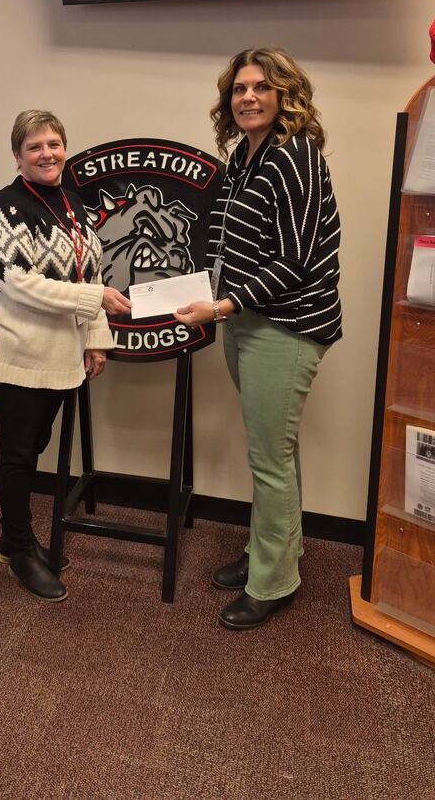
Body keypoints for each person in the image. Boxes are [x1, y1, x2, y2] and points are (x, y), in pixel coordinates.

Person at [175, 48, 341, 630]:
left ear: (284, 96)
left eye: (260, 88)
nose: (247, 97)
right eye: (239, 89)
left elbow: (295, 260)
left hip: (285, 325)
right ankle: (276, 549)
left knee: (269, 458)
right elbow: (228, 244)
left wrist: (219, 306)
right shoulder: (246, 156)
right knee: (278, 452)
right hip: (246, 319)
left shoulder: (294, 156)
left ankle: (272, 581)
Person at [0, 110, 131, 602]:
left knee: (34, 445)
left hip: (62, 355)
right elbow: (17, 283)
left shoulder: (72, 202)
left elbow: (93, 273)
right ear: (18, 155)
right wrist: (95, 303)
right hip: (18, 352)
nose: (47, 154)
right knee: (19, 455)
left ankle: (11, 535)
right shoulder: (4, 207)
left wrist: (95, 337)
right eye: (35, 146)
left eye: (54, 144)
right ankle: (19, 548)